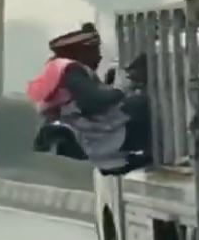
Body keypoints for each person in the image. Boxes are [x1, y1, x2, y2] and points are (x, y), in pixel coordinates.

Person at [27, 23, 151, 174]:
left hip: (89, 137)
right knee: (143, 106)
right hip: (95, 136)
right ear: (80, 53)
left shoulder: (57, 69)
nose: (99, 56)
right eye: (94, 51)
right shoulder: (70, 70)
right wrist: (120, 87)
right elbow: (94, 102)